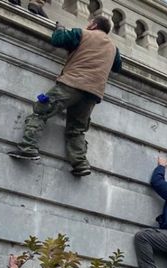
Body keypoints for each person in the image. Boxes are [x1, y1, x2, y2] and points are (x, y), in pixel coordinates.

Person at [7, 17, 122, 177]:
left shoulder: (82, 33)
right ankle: (80, 164)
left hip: (72, 84)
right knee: (76, 130)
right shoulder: (114, 48)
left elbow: (57, 40)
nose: (87, 24)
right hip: (93, 94)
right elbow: (117, 67)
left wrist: (60, 28)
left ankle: (28, 148)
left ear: (94, 25)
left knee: (41, 111)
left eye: (89, 22)